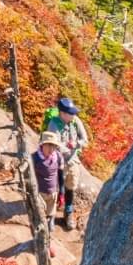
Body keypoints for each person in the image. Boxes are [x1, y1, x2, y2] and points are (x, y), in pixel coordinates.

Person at [43, 96, 90, 229]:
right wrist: (67, 148)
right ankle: (49, 215)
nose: (73, 115)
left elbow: (84, 139)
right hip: (57, 161)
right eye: (70, 113)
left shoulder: (75, 121)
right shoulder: (53, 124)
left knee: (71, 186)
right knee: (54, 187)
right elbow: (54, 144)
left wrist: (76, 144)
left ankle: (68, 212)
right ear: (62, 113)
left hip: (73, 161)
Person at [31, 132, 63, 236]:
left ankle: (51, 221)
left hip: (53, 190)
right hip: (40, 191)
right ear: (42, 145)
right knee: (40, 212)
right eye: (48, 145)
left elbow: (60, 174)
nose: (51, 148)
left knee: (51, 209)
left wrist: (61, 192)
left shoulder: (58, 156)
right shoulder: (35, 158)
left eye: (53, 146)